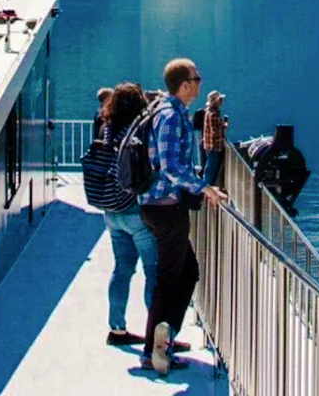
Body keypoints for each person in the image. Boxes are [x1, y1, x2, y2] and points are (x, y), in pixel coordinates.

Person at [139, 58, 228, 375]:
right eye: (197, 78)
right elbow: (170, 166)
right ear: (184, 84)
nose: (200, 83)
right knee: (168, 279)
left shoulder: (170, 112)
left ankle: (164, 336)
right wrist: (207, 189)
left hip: (159, 206)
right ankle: (153, 350)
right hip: (166, 208)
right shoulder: (171, 115)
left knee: (188, 272)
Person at [91, 83, 157, 346]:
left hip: (111, 210)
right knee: (153, 272)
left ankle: (116, 329)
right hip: (134, 211)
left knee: (122, 270)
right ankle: (156, 338)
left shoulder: (107, 129)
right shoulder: (138, 131)